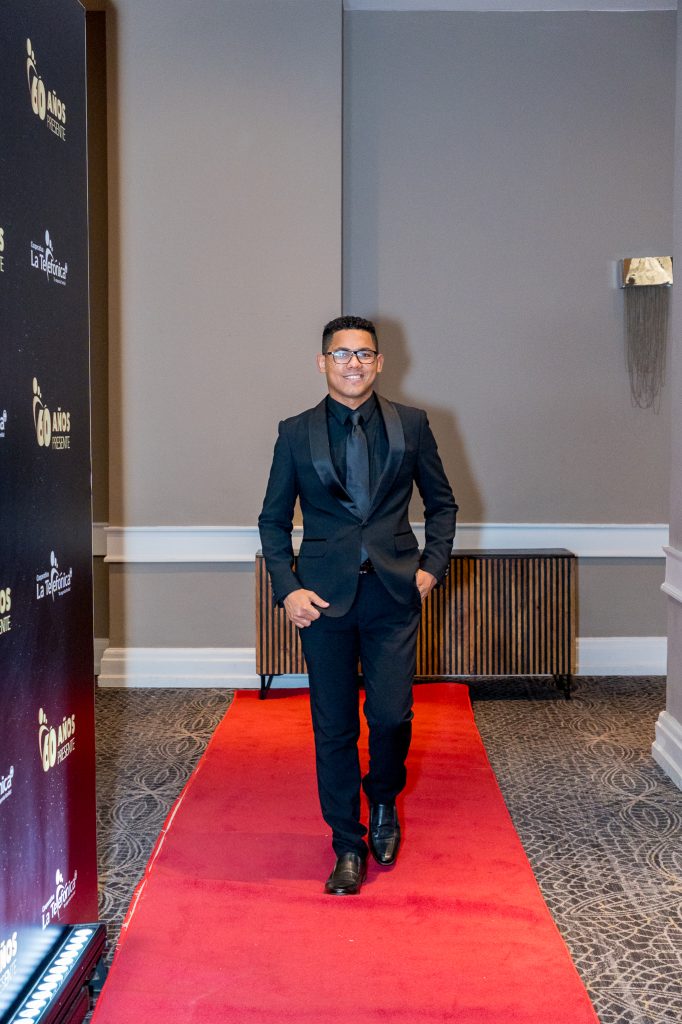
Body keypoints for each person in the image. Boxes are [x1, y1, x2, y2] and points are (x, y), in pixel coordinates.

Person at [258, 315, 458, 895]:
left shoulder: (412, 425)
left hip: (394, 594)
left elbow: (442, 505)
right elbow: (273, 520)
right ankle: (347, 842)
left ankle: (384, 800)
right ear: (322, 362)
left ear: (380, 362)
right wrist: (288, 588)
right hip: (323, 601)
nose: (354, 363)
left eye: (364, 354)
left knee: (392, 717)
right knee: (334, 725)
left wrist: (431, 567)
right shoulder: (295, 433)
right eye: (342, 354)